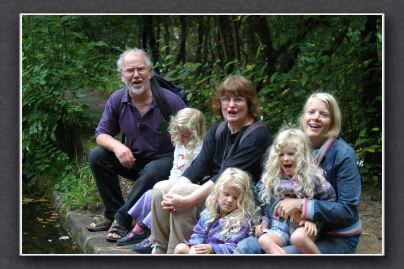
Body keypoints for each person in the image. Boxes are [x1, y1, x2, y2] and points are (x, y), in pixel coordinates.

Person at [144, 75, 272, 254]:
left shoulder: (257, 135)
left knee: (183, 194)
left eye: (238, 99)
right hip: (216, 194)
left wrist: (185, 200)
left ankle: (177, 252)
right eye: (226, 99)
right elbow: (198, 166)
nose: (231, 105)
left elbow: (224, 177)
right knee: (161, 189)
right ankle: (159, 248)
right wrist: (172, 194)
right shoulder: (218, 130)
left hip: (240, 201)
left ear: (249, 104)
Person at [235, 92, 362, 254]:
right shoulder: (290, 145)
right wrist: (283, 206)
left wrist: (301, 205)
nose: (315, 117)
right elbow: (262, 189)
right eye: (311, 112)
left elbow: (348, 211)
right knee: (245, 247)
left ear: (333, 122)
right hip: (288, 227)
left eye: (323, 114)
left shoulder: (343, 154)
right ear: (303, 118)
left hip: (334, 234)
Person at [86, 48, 186, 242]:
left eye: (141, 69)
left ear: (150, 72)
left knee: (155, 169)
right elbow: (101, 134)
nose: (136, 75)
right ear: (121, 75)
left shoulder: (170, 102)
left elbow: (194, 138)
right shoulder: (117, 99)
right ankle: (111, 213)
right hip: (133, 161)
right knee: (97, 156)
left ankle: (122, 219)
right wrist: (118, 147)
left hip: (166, 164)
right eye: (130, 70)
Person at [115, 108, 206, 250]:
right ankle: (142, 230)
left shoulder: (200, 150)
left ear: (196, 133)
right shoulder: (180, 145)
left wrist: (173, 189)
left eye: (186, 136)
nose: (181, 139)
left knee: (165, 198)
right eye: (179, 134)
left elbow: (196, 178)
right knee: (151, 194)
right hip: (176, 183)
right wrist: (169, 184)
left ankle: (147, 235)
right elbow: (176, 169)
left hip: (188, 188)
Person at [256, 128, 336, 254]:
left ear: (302, 155)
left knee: (298, 238)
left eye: (291, 153)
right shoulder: (273, 177)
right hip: (280, 227)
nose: (285, 159)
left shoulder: (313, 177)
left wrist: (313, 220)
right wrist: (265, 222)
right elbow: (267, 204)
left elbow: (329, 202)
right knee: (263, 240)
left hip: (305, 225)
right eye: (281, 154)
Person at [174, 167, 258, 254]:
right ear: (218, 192)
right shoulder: (210, 212)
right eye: (226, 194)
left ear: (242, 200)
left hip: (220, 255)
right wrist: (196, 246)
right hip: (203, 249)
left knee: (194, 254)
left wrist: (212, 249)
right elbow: (198, 233)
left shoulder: (241, 221)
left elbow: (234, 246)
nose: (229, 200)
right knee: (181, 248)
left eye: (235, 198)